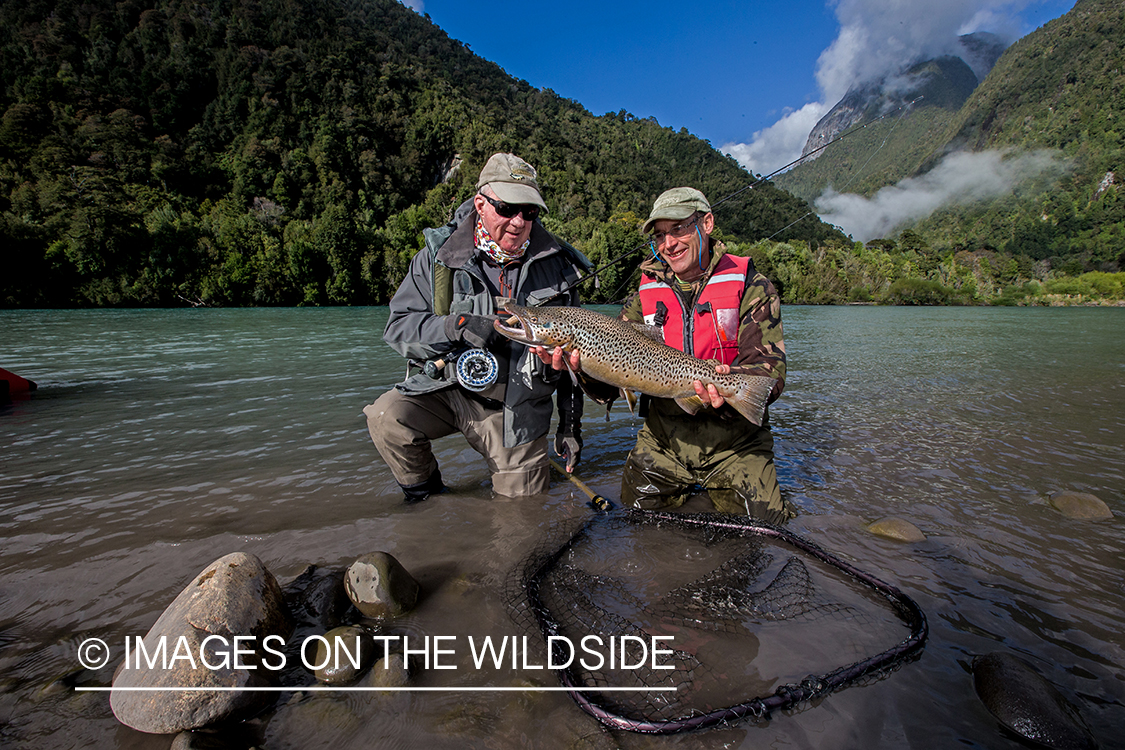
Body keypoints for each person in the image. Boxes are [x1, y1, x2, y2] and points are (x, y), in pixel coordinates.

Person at [542, 187, 793, 523]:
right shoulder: (643, 295)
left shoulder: (753, 287)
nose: (668, 244)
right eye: (660, 236)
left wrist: (729, 390)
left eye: (678, 229)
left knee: (764, 528)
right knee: (635, 521)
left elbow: (769, 373)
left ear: (707, 223)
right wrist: (580, 368)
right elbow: (614, 382)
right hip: (663, 440)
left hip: (737, 443)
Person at [364, 153, 587, 502]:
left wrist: (570, 427)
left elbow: (576, 363)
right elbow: (399, 329)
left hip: (517, 409)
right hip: (448, 389)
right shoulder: (438, 258)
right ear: (480, 204)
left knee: (522, 516)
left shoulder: (560, 268)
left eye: (529, 212)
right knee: (385, 417)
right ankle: (426, 499)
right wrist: (455, 326)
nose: (518, 222)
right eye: (506, 208)